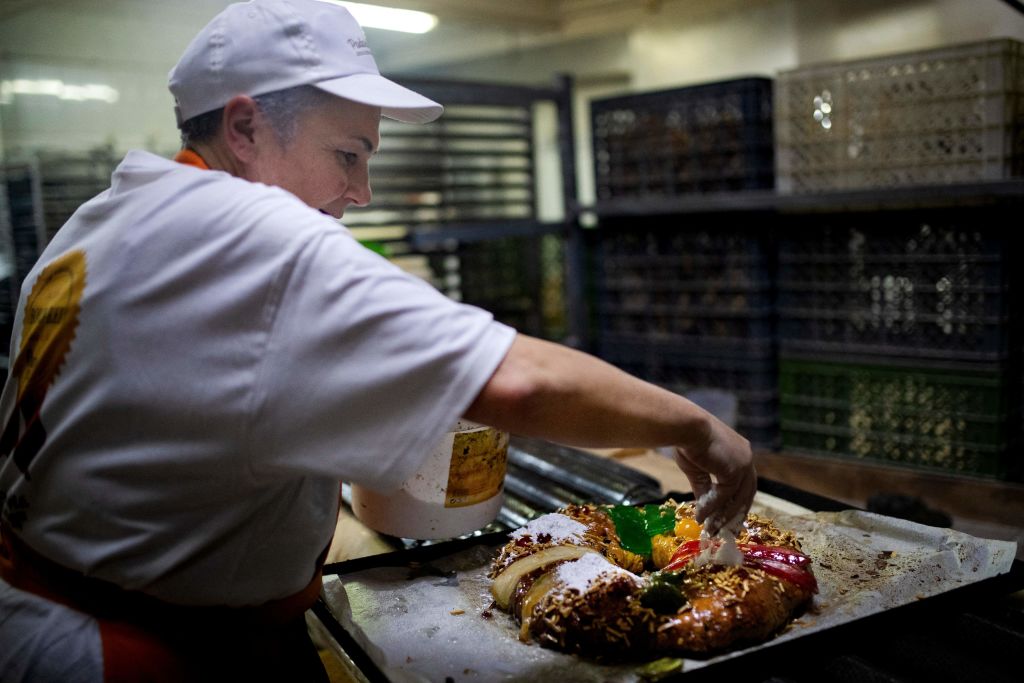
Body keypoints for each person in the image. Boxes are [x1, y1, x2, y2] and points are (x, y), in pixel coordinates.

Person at [0, 0, 756, 680]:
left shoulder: (105, 218)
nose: (360, 192)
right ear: (243, 127)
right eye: (347, 154)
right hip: (136, 651)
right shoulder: (251, 235)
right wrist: (696, 423)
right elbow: (518, 380)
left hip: (57, 607)